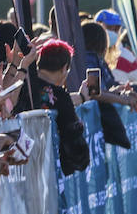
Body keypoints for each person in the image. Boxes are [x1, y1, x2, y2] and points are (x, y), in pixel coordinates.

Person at [15, 39, 90, 175]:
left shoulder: (21, 85)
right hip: (47, 173)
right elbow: (73, 141)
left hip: (18, 167)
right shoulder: (61, 96)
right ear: (64, 68)